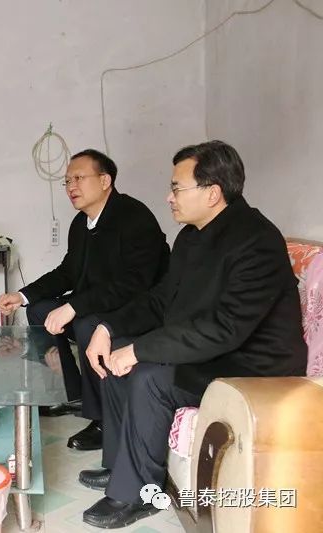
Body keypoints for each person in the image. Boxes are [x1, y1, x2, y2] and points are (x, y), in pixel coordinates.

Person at [79, 140, 307, 529]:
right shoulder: (191, 236)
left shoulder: (257, 241)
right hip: (214, 351)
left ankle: (136, 495)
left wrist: (141, 350)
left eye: (177, 188)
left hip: (253, 366)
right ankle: (121, 467)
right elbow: (161, 299)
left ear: (212, 193)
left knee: (150, 375)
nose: (169, 198)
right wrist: (108, 327)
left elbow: (225, 329)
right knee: (114, 357)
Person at [0, 149, 169, 450]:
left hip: (135, 310)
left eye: (78, 178)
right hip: (95, 303)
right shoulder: (81, 223)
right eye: (67, 181)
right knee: (39, 310)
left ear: (105, 180)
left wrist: (73, 306)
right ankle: (70, 393)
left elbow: (134, 283)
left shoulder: (134, 217)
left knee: (87, 324)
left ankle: (103, 419)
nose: (71, 187)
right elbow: (68, 272)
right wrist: (22, 295)